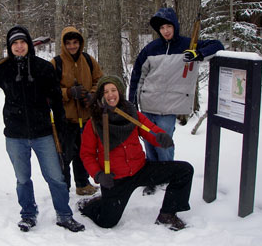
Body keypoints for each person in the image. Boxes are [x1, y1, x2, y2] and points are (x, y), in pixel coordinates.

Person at [0, 25, 85, 232]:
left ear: (28, 44)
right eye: (14, 43)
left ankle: (64, 214)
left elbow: (57, 102)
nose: (19, 46)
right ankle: (28, 214)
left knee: (55, 177)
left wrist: (60, 130)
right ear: (10, 46)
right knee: (23, 179)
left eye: (22, 42)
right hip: (15, 135)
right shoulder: (4, 68)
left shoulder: (43, 68)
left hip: (43, 133)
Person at [78, 75, 194, 231]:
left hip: (140, 169)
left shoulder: (131, 113)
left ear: (119, 91)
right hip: (115, 178)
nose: (110, 95)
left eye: (113, 90)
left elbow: (149, 129)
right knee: (107, 222)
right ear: (100, 95)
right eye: (105, 92)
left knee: (184, 171)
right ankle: (91, 205)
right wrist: (99, 175)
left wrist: (160, 137)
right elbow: (87, 154)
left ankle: (167, 214)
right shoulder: (94, 123)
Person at [128, 7, 223, 195]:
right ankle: (152, 179)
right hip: (147, 104)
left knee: (164, 144)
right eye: (162, 27)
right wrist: (132, 101)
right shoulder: (151, 49)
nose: (165, 30)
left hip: (169, 108)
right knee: (149, 144)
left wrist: (197, 55)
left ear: (175, 26)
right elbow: (138, 75)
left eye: (168, 26)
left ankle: (167, 177)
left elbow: (218, 45)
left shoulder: (189, 45)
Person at [50, 26, 103, 196]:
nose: (72, 46)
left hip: (86, 117)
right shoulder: (56, 63)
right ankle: (62, 187)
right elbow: (49, 90)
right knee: (65, 155)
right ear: (63, 45)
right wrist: (68, 93)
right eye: (68, 43)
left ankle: (82, 184)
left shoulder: (88, 60)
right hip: (65, 119)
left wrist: (92, 95)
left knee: (84, 153)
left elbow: (99, 80)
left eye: (75, 42)